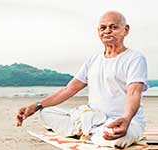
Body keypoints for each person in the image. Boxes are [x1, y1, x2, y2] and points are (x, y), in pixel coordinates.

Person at [16, 11, 148, 148]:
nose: (107, 31)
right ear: (98, 32)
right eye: (103, 28)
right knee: (46, 112)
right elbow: (69, 90)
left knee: (119, 139)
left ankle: (85, 131)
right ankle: (88, 130)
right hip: (92, 117)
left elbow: (134, 92)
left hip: (125, 121)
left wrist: (126, 119)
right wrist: (36, 105)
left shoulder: (135, 58)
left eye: (113, 27)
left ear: (125, 30)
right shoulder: (93, 60)